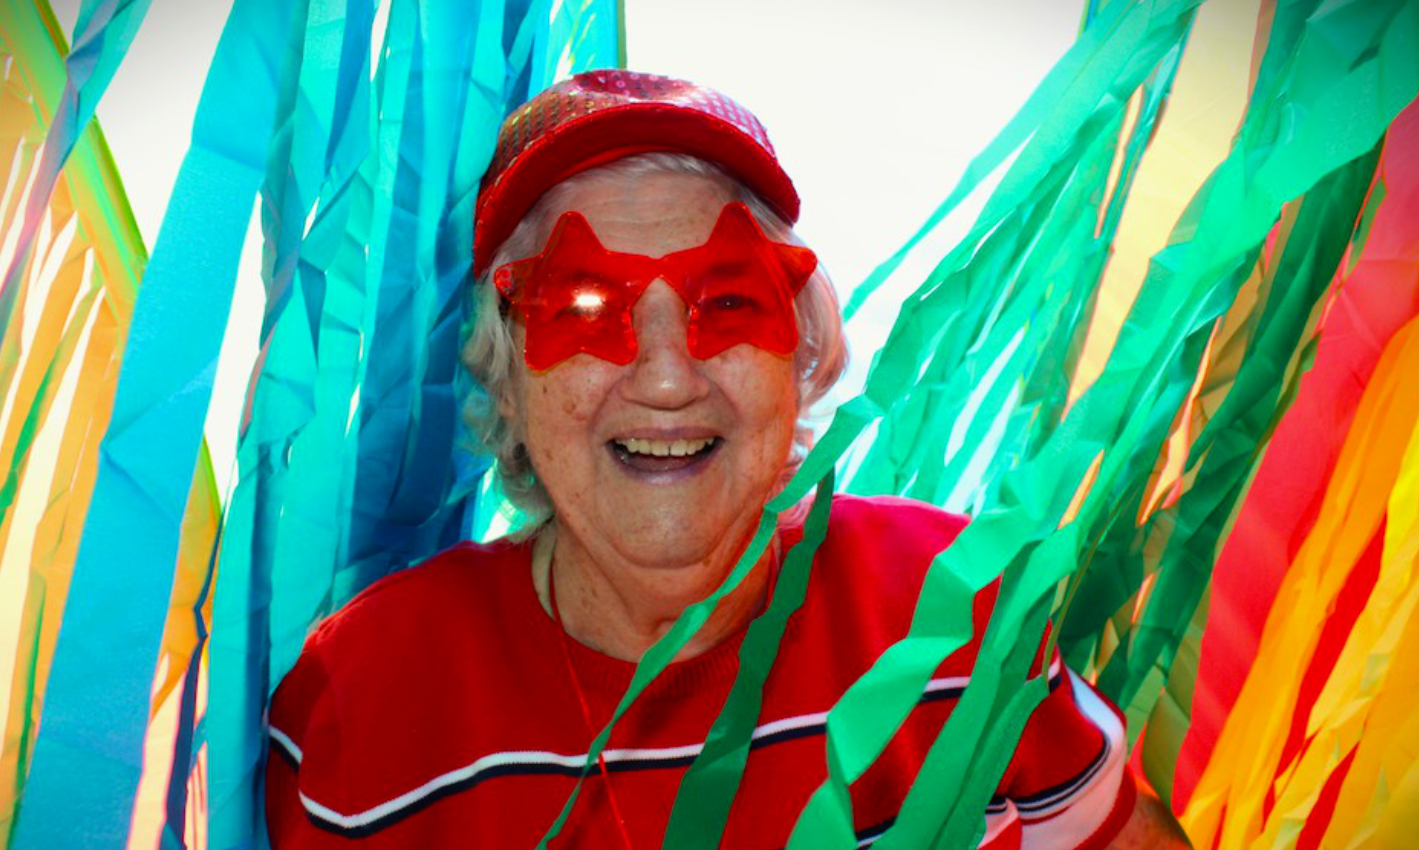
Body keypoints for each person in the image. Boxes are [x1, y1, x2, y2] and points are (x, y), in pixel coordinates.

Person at [265, 69, 1188, 848]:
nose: (667, 379)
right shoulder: (364, 700)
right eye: (583, 309)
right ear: (506, 380)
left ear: (801, 352)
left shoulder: (959, 616)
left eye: (729, 300)